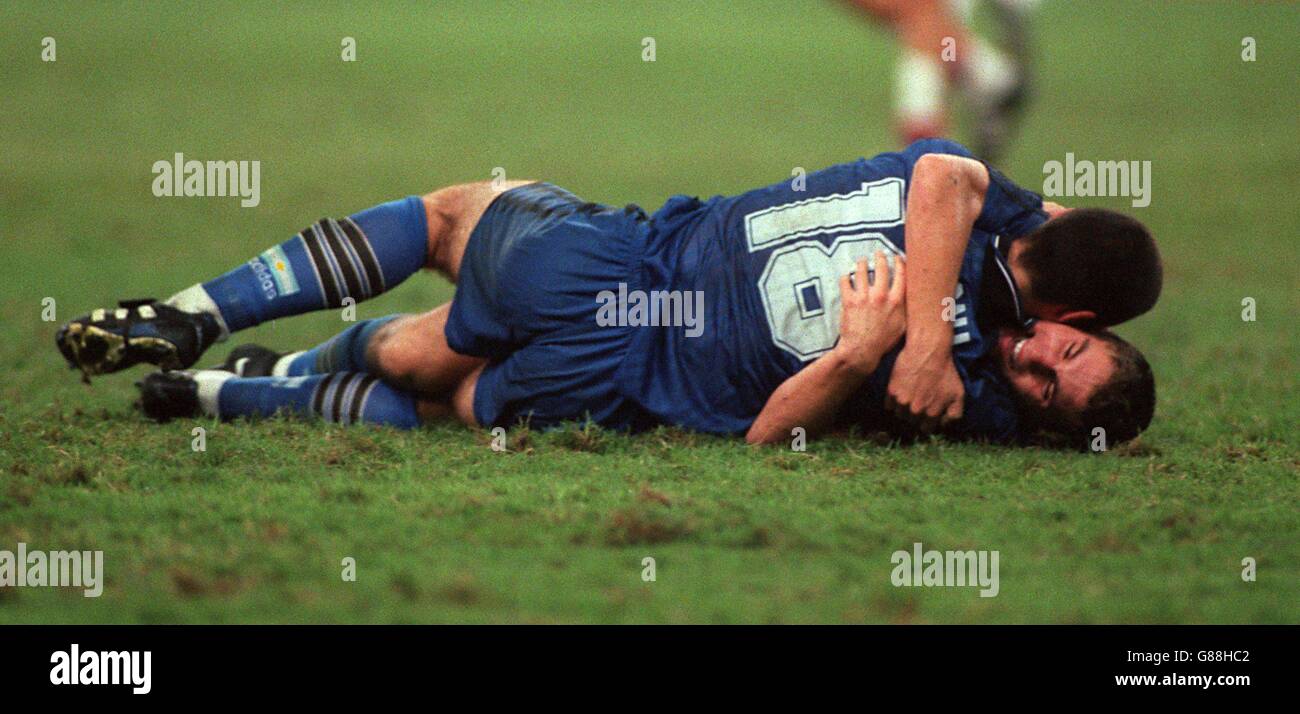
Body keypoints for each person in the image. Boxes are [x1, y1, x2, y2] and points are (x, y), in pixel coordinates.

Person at [56, 139, 1157, 447]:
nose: (1041, 364)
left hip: (602, 270)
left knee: (447, 226)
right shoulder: (959, 385)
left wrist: (874, 350)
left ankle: (213, 328)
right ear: (1075, 322)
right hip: (612, 370)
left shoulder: (964, 193)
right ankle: (228, 391)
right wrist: (910, 345)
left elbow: (942, 172)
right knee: (423, 370)